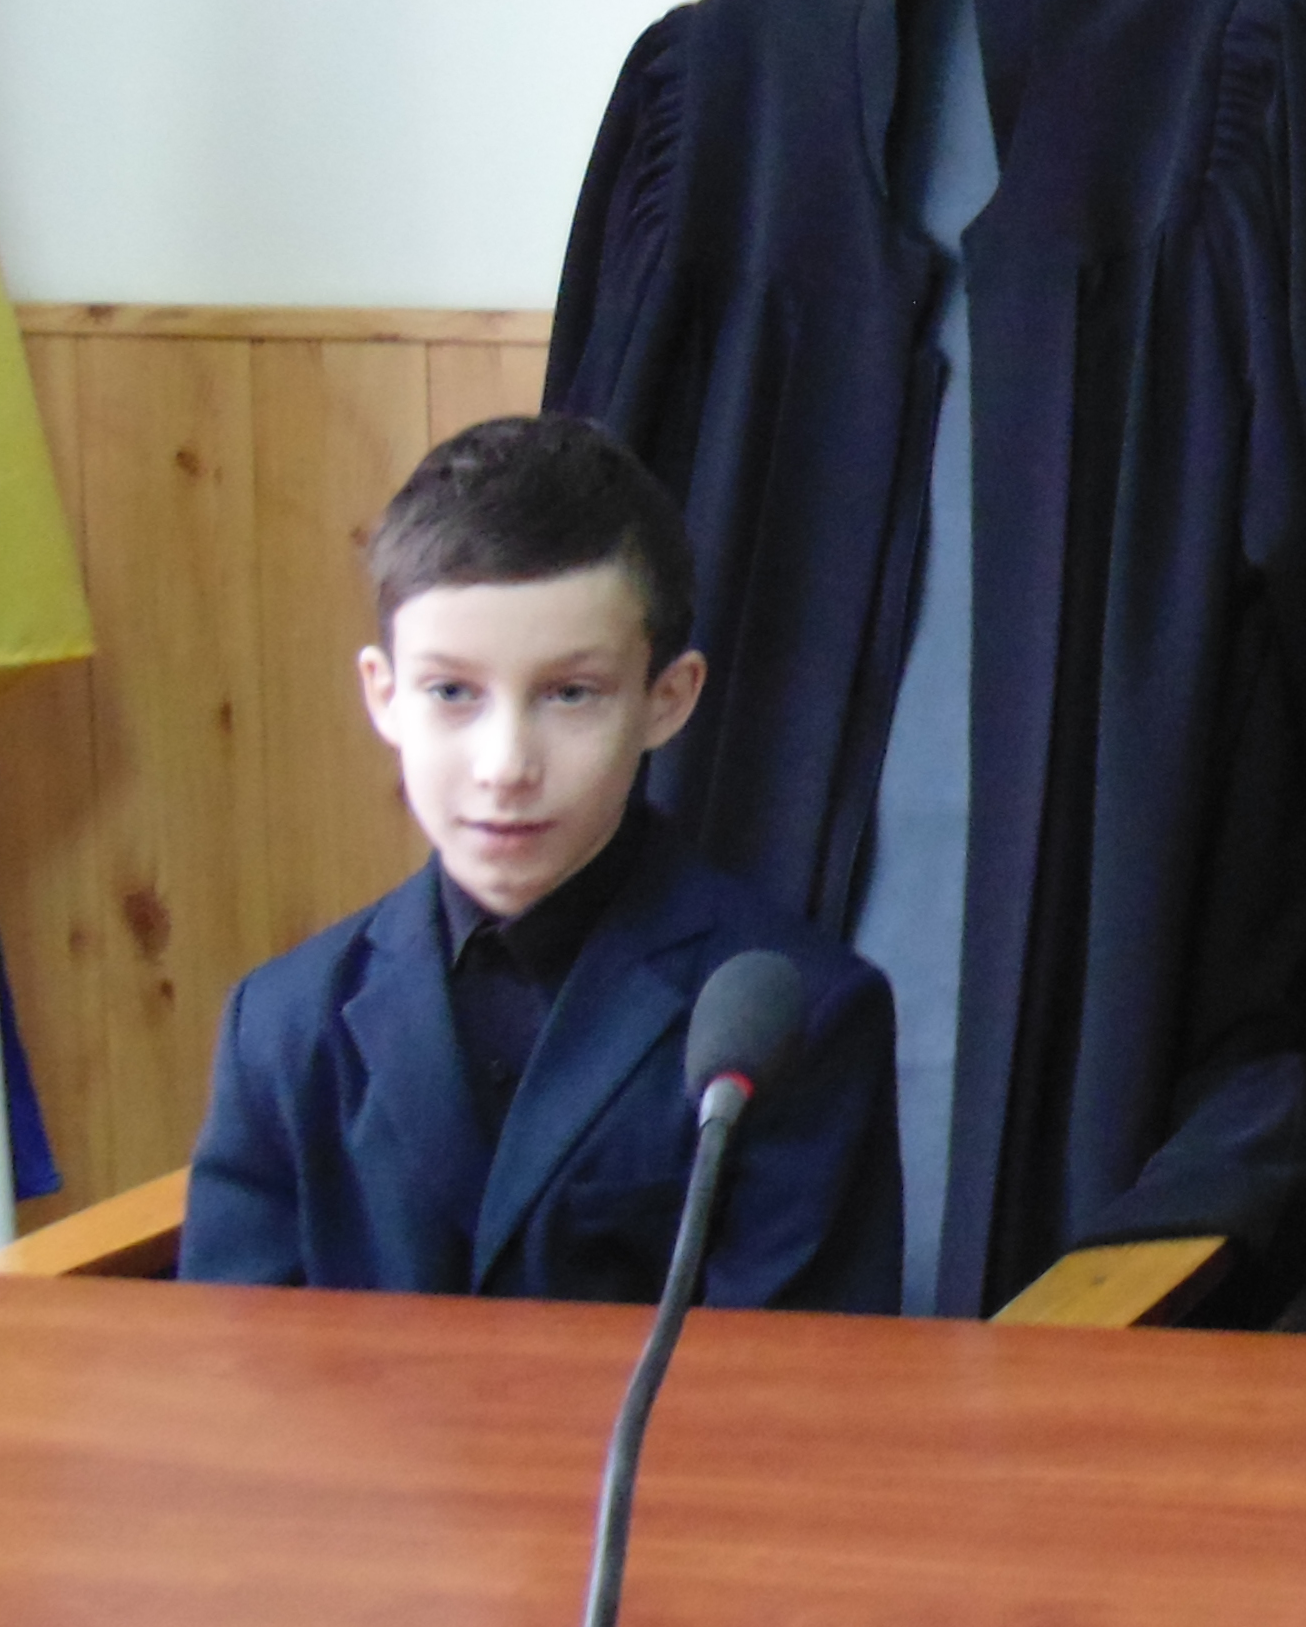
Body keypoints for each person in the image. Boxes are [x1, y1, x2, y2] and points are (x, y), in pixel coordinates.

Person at [180, 415, 900, 1307]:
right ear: (385, 695)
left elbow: (794, 1373)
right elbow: (236, 1354)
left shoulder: (806, 1020)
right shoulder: (282, 1024)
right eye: (452, 691)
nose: (506, 766)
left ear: (667, 699)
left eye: (570, 695)